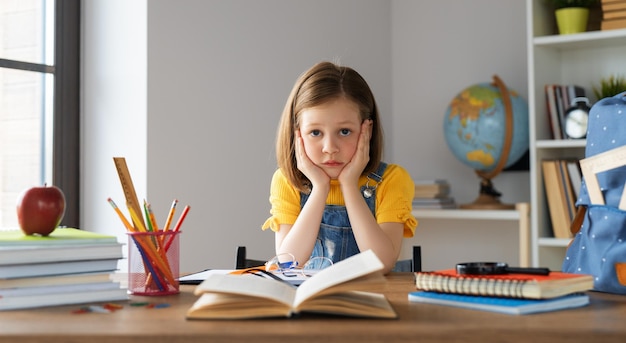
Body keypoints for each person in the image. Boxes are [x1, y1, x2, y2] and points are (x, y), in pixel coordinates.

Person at [262, 61, 417, 274]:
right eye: (315, 132)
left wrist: (349, 186)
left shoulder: (391, 180)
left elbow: (382, 263)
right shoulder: (286, 181)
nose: (330, 148)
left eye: (344, 131)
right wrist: (320, 188)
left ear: (366, 131)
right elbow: (288, 263)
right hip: (312, 303)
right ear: (297, 133)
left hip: (371, 301)